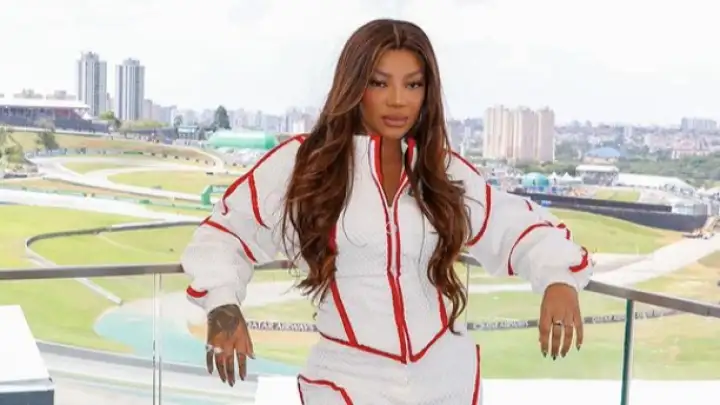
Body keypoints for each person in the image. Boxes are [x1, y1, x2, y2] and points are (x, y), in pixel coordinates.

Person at [181, 18, 592, 405]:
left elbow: (517, 226)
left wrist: (557, 278)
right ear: (354, 85)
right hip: (347, 383)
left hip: (446, 382)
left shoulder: (441, 170)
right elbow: (224, 235)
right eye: (379, 83)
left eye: (413, 84)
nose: (398, 100)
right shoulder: (303, 164)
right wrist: (223, 303)